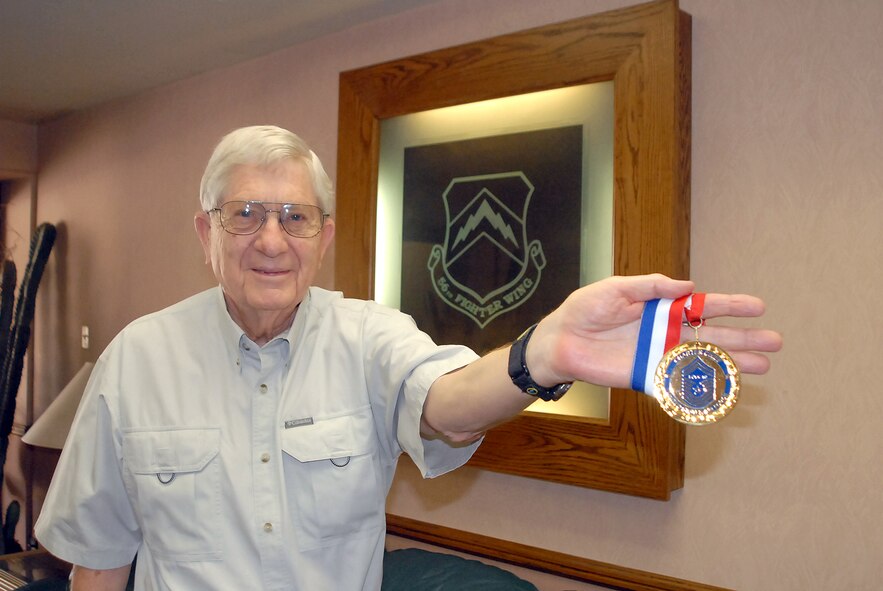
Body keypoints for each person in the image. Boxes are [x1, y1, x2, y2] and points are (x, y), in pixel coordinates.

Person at [34, 125, 782, 591]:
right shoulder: (136, 358)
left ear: (323, 238)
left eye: (295, 216)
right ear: (205, 232)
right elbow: (100, 556)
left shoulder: (370, 336)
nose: (271, 239)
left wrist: (539, 355)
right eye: (245, 215)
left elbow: (448, 406)